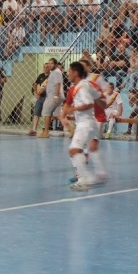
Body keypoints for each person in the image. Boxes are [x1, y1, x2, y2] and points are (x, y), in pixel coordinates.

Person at [62, 62, 107, 191]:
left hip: (85, 124)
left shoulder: (82, 87)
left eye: (69, 71)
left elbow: (88, 104)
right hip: (89, 123)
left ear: (76, 73)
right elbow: (102, 103)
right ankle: (92, 176)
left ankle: (84, 180)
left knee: (74, 150)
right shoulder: (85, 85)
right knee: (88, 149)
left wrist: (73, 109)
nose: (68, 74)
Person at [38, 58, 64, 137]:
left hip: (53, 96)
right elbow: (50, 84)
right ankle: (71, 128)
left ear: (55, 64)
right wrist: (42, 90)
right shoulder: (54, 72)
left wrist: (55, 96)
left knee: (46, 112)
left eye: (51, 63)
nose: (49, 65)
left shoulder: (56, 72)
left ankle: (46, 132)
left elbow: (58, 84)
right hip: (56, 95)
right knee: (58, 115)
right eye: (49, 63)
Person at [29, 63, 50, 136]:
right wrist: (35, 93)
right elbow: (34, 84)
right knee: (36, 112)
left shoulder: (52, 76)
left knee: (46, 114)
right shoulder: (41, 76)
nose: (46, 68)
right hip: (41, 97)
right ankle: (34, 129)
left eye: (47, 67)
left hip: (48, 97)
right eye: (44, 67)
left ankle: (46, 129)